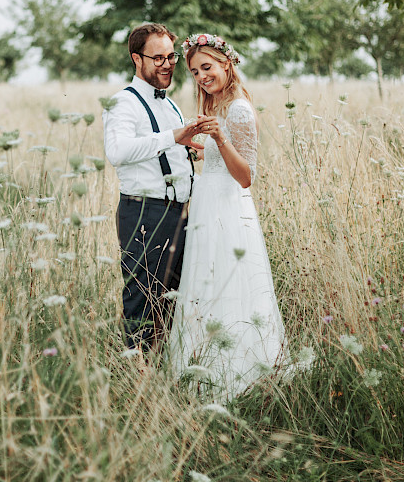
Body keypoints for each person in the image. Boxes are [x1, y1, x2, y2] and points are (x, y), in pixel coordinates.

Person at [168, 33, 289, 398]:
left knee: (230, 284)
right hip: (208, 204)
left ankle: (238, 372)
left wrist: (219, 140)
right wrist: (202, 149)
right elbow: (223, 163)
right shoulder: (217, 105)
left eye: (207, 67)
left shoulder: (237, 108)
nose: (202, 76)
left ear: (226, 64)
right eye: (194, 71)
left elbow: (245, 176)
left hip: (229, 209)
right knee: (207, 282)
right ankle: (202, 366)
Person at [103, 23, 208, 354]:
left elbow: (163, 148)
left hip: (179, 213)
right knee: (142, 301)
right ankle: (135, 379)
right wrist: (174, 137)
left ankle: (163, 378)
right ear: (137, 58)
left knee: (173, 300)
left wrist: (190, 147)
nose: (168, 64)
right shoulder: (123, 103)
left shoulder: (170, 105)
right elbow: (118, 152)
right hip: (144, 212)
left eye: (171, 56)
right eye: (158, 57)